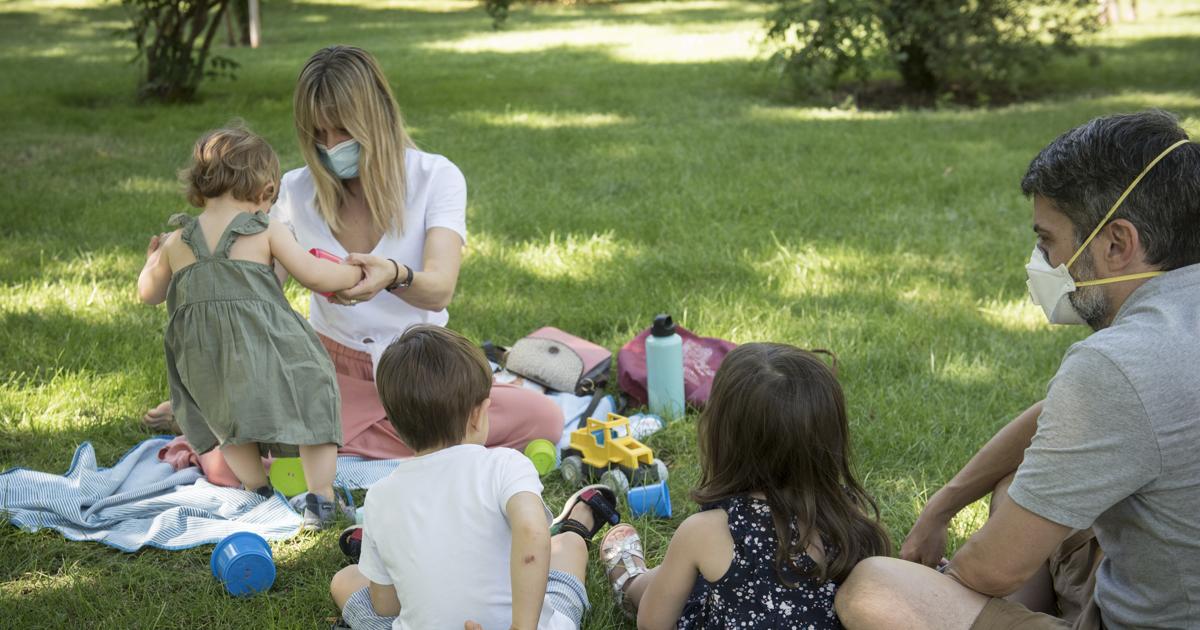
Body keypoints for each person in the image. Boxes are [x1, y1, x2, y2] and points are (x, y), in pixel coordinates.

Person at [835, 110, 1200, 630]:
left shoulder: (1118, 364)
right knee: (1014, 486)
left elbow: (992, 569)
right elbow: (1059, 417)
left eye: (1049, 241)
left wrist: (945, 585)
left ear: (1117, 243)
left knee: (878, 587)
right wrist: (945, 503)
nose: (1044, 261)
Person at [143, 45, 563, 469]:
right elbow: (259, 285)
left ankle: (340, 445)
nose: (330, 146)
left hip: (422, 365)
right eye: (317, 134)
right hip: (327, 368)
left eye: (342, 131)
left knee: (542, 418)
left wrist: (393, 275)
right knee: (254, 445)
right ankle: (410, 444)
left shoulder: (435, 177)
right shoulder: (294, 190)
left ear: (376, 117)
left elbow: (439, 289)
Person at [137, 125, 362, 529]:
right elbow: (314, 275)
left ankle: (258, 491)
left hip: (202, 356)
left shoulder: (176, 240)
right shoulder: (265, 229)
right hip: (270, 342)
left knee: (228, 423)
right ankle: (322, 500)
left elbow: (149, 294)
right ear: (266, 189)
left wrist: (152, 260)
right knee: (314, 396)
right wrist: (352, 273)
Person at [327, 325, 621, 629]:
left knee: (346, 580)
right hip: (527, 622)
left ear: (397, 428)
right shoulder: (506, 464)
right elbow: (533, 533)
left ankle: (381, 552)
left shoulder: (380, 497)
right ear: (479, 415)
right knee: (568, 550)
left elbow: (386, 605)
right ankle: (575, 527)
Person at [597, 343, 891, 629]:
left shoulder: (703, 531)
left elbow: (651, 623)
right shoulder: (850, 520)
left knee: (688, 576)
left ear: (723, 437)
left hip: (706, 583)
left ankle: (631, 582)